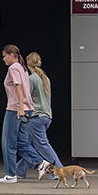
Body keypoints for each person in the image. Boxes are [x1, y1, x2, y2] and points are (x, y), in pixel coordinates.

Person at [0, 44, 35, 183]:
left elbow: (18, 87)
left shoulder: (13, 68)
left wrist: (20, 108)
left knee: (8, 142)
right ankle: (41, 163)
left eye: (4, 56)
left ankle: (11, 174)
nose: (3, 59)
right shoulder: (23, 69)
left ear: (12, 55)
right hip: (28, 108)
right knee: (22, 142)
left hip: (15, 109)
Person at [25, 51, 62, 180]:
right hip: (47, 116)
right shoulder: (45, 78)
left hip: (36, 117)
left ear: (27, 63)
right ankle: (20, 170)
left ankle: (58, 170)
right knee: (28, 144)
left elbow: (26, 98)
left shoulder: (31, 79)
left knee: (41, 144)